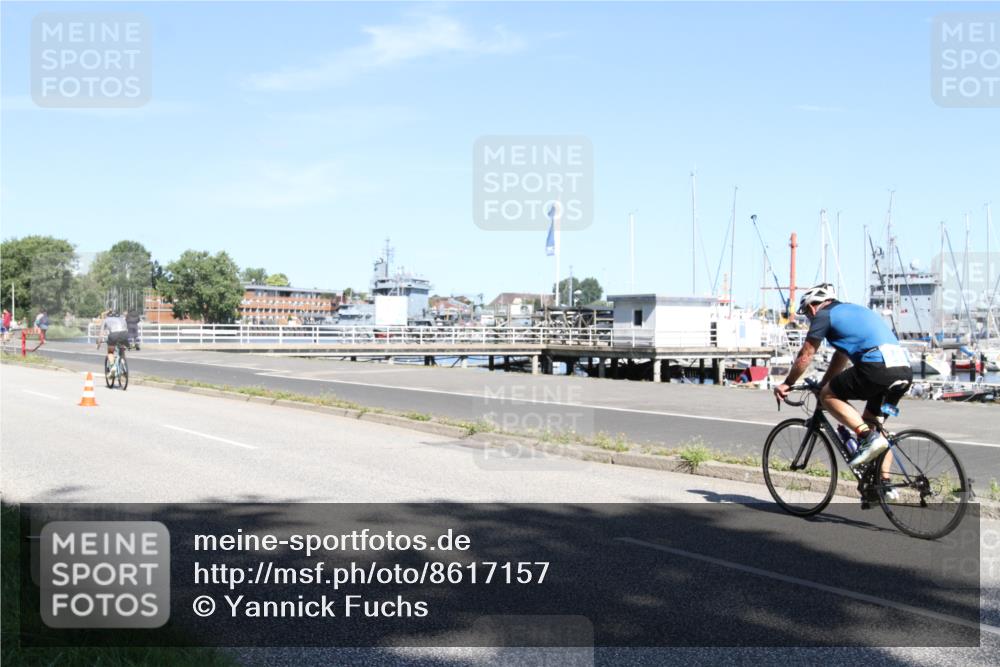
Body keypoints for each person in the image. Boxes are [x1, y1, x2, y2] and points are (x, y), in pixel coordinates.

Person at [774, 284, 912, 468]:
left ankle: (867, 438)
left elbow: (806, 355)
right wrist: (824, 383)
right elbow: (841, 357)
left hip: (877, 367)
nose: (809, 319)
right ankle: (883, 486)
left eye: (807, 314)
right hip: (903, 370)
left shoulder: (823, 315)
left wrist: (787, 383)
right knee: (875, 428)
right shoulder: (853, 311)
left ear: (813, 306)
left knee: (830, 397)